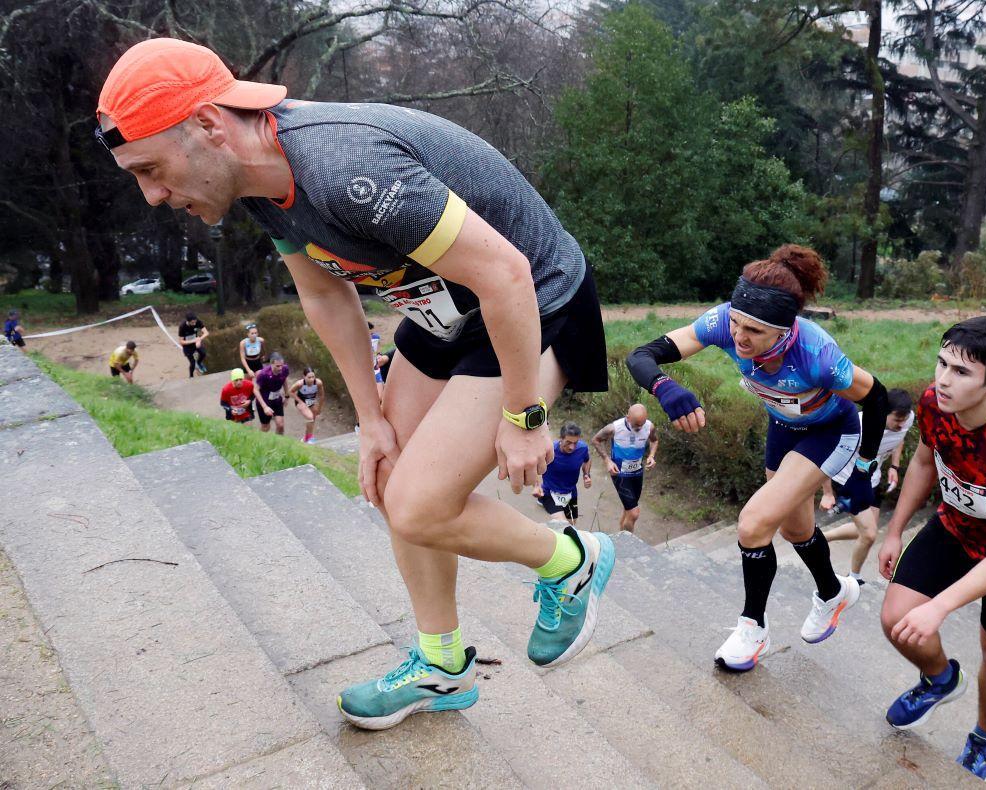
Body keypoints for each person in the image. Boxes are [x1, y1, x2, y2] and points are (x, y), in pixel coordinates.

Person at [97, 37, 614, 732]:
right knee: (392, 470)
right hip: (443, 310)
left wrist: (524, 415)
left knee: (420, 504)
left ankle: (572, 560)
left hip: (533, 303)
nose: (153, 195)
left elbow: (508, 275)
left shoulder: (344, 167)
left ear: (210, 125)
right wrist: (371, 419)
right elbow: (325, 296)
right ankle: (441, 664)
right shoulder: (256, 177)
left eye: (152, 169)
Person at [626, 244, 892, 672]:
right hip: (784, 429)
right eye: (735, 323)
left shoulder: (816, 355)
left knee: (753, 524)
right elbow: (640, 355)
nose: (738, 337)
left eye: (754, 331)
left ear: (784, 331)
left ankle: (753, 627)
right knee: (793, 527)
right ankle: (832, 591)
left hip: (830, 431)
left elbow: (878, 397)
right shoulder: (724, 322)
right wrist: (664, 387)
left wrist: (863, 467)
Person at [877, 316, 986, 781]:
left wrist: (939, 606)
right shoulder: (935, 403)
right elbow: (922, 462)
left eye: (960, 372)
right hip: (954, 529)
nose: (942, 379)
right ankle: (940, 679)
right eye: (941, 363)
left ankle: (984, 735)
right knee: (895, 620)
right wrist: (894, 530)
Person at [820, 389, 915, 583]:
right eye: (897, 419)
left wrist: (894, 466)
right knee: (870, 534)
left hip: (872, 479)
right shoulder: (857, 426)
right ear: (882, 412)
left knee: (863, 530)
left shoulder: (907, 419)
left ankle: (820, 538)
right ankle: (853, 578)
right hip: (848, 480)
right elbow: (825, 454)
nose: (902, 424)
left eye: (904, 420)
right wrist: (827, 493)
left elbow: (899, 439)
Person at [591, 404, 658, 533]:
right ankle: (628, 544)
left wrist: (651, 455)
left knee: (628, 510)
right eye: (636, 425)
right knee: (634, 513)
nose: (639, 428)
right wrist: (607, 461)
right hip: (620, 473)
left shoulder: (649, 426)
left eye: (642, 425)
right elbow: (596, 440)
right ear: (628, 418)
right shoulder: (614, 428)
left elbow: (654, 441)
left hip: (637, 473)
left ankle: (621, 538)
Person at [532, 423, 592, 526]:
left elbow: (587, 460)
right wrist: (536, 486)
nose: (572, 447)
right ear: (561, 438)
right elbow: (535, 466)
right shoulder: (550, 450)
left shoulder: (582, 449)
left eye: (575, 443)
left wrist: (586, 475)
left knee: (572, 525)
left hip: (570, 493)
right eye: (568, 442)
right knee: (563, 525)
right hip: (549, 493)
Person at [254, 352, 289, 435]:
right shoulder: (264, 374)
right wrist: (265, 407)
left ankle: (279, 444)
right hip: (264, 401)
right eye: (277, 366)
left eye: (282, 365)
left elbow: (284, 380)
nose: (280, 368)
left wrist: (287, 396)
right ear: (271, 364)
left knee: (280, 425)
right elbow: (255, 390)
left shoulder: (285, 369)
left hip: (277, 400)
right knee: (266, 427)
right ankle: (260, 442)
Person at [290, 366, 326, 444]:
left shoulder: (318, 383)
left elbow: (321, 396)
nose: (311, 379)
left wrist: (319, 408)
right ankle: (310, 438)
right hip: (301, 402)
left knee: (312, 420)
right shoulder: (300, 384)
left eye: (313, 377)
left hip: (310, 401)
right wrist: (300, 402)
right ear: (304, 377)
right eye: (309, 377)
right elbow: (290, 392)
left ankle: (306, 438)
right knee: (309, 417)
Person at [178, 311, 209, 377]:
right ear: (188, 321)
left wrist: (199, 339)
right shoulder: (182, 327)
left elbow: (206, 333)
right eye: (192, 322)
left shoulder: (197, 322)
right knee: (192, 363)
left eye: (195, 322)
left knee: (203, 353)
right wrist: (193, 340)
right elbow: (181, 342)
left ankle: (199, 363)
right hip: (187, 346)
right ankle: (191, 376)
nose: (194, 324)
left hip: (196, 342)